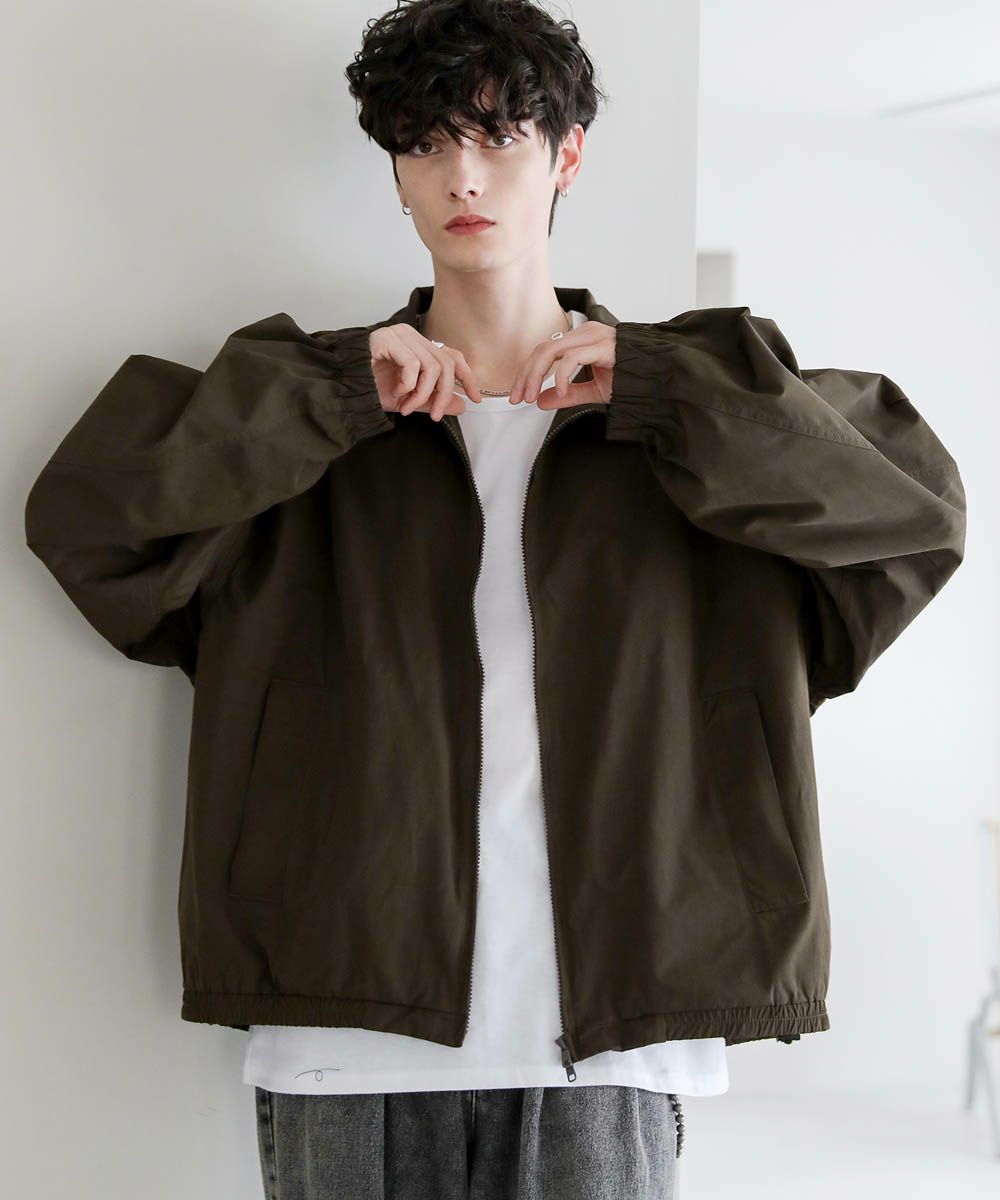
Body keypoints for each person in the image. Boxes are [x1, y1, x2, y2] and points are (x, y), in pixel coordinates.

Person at [23, 1, 966, 1197]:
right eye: (425, 145)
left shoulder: (698, 416)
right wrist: (330, 394)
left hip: (614, 1036)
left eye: (499, 137)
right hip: (349, 1027)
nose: (462, 176)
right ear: (396, 177)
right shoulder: (310, 414)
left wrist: (668, 390)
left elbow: (913, 517)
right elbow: (91, 522)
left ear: (566, 156)